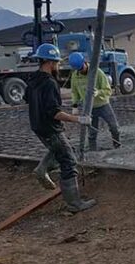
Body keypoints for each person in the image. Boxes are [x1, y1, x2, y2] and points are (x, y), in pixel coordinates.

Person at [24, 43, 96, 214]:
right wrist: (78, 119)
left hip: (37, 126)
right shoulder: (49, 82)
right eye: (56, 62)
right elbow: (54, 112)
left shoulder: (33, 79)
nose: (58, 66)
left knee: (62, 149)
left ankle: (43, 168)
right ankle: (74, 204)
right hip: (50, 128)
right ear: (49, 62)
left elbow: (27, 98)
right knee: (69, 161)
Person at [68, 52, 121, 151]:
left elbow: (108, 90)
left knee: (114, 127)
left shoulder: (98, 73)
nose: (80, 71)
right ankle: (92, 150)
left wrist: (98, 92)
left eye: (81, 68)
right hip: (89, 107)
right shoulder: (75, 75)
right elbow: (74, 92)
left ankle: (117, 145)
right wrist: (74, 105)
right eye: (78, 69)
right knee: (91, 132)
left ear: (85, 62)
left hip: (102, 104)